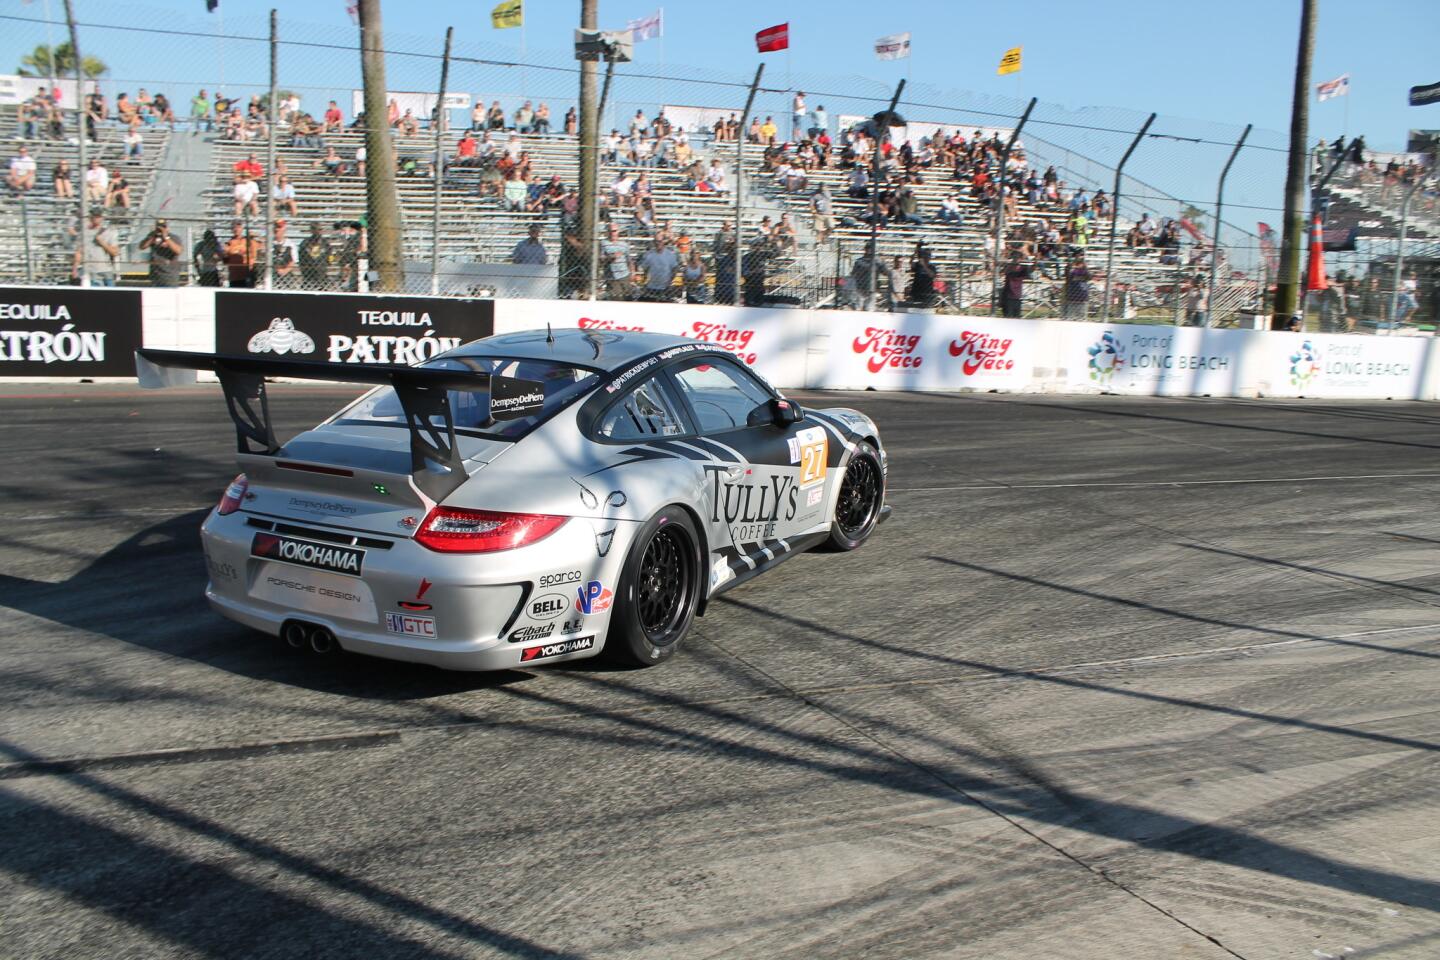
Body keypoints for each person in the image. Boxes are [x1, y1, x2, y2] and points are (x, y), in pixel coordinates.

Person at [74, 209, 119, 286]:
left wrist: (102, 242)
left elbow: (115, 252)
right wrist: (75, 268)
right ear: (90, 218)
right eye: (94, 216)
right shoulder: (83, 233)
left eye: (98, 216)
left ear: (102, 218)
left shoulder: (109, 232)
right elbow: (79, 252)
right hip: (90, 271)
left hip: (106, 270)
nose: (96, 219)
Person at [139, 219, 184, 287]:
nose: (161, 229)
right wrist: (152, 236)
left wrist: (166, 237)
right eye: (159, 227)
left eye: (163, 227)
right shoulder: (152, 237)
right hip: (155, 274)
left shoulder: (173, 237)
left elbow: (178, 251)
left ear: (167, 228)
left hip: (169, 274)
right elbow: (142, 247)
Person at [639, 236, 680, 302]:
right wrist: (645, 281)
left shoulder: (670, 254)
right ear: (654, 243)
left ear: (663, 242)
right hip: (651, 286)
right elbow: (645, 269)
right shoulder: (649, 254)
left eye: (660, 241)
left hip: (665, 287)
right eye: (656, 241)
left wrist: (670, 281)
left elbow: (675, 269)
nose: (658, 243)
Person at [223, 220, 260, 288]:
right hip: (234, 276)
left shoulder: (249, 241)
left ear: (242, 228)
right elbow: (225, 261)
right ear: (232, 229)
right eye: (234, 227)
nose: (237, 229)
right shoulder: (228, 243)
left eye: (239, 227)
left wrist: (256, 235)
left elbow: (262, 246)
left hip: (247, 274)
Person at [601, 222, 633, 300]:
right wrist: (611, 257)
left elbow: (629, 260)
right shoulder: (604, 243)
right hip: (612, 277)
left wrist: (632, 272)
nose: (612, 233)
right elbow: (601, 258)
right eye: (610, 231)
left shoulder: (624, 244)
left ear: (618, 231)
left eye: (614, 231)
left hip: (624, 275)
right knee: (617, 298)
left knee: (628, 298)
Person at [298, 223, 330, 290]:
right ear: (311, 230)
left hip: (321, 276)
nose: (318, 231)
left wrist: (325, 265)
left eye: (320, 229)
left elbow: (329, 258)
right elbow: (301, 258)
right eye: (316, 229)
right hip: (308, 275)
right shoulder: (305, 243)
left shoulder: (326, 243)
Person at [271, 219, 300, 289]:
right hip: (272, 275)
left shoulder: (290, 244)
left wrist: (285, 270)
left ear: (284, 229)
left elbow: (293, 261)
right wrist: (277, 268)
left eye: (279, 227)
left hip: (286, 277)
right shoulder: (269, 244)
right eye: (276, 227)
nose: (277, 230)